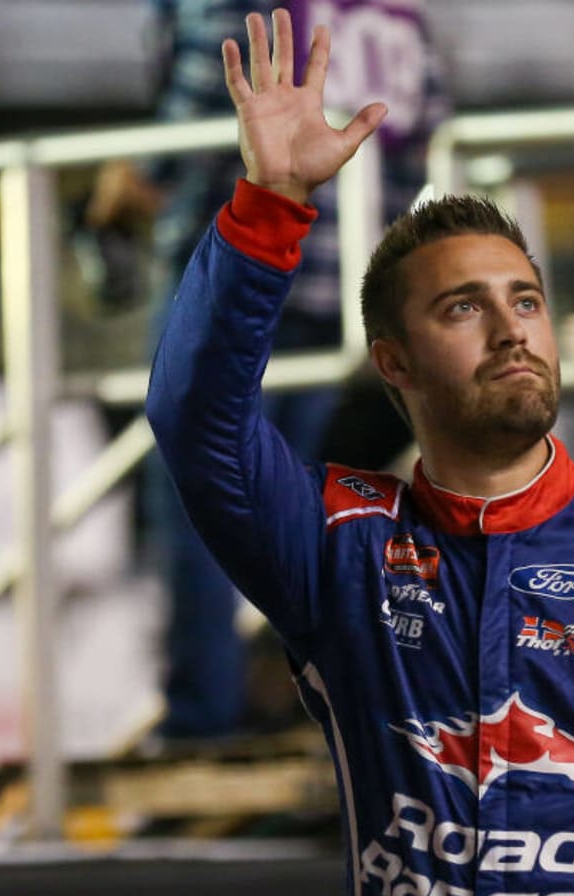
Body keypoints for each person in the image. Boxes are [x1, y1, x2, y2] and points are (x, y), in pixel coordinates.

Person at [146, 11, 574, 896]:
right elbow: (194, 419)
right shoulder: (338, 545)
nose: (509, 332)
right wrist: (270, 207)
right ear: (394, 362)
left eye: (525, 301)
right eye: (462, 308)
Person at [91, 0, 446, 737]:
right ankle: (310, 705)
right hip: (338, 280)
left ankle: (203, 718)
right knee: (299, 509)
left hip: (241, 269)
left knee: (201, 499)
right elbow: (420, 135)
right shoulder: (400, 11)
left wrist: (127, 186)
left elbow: (199, 94)